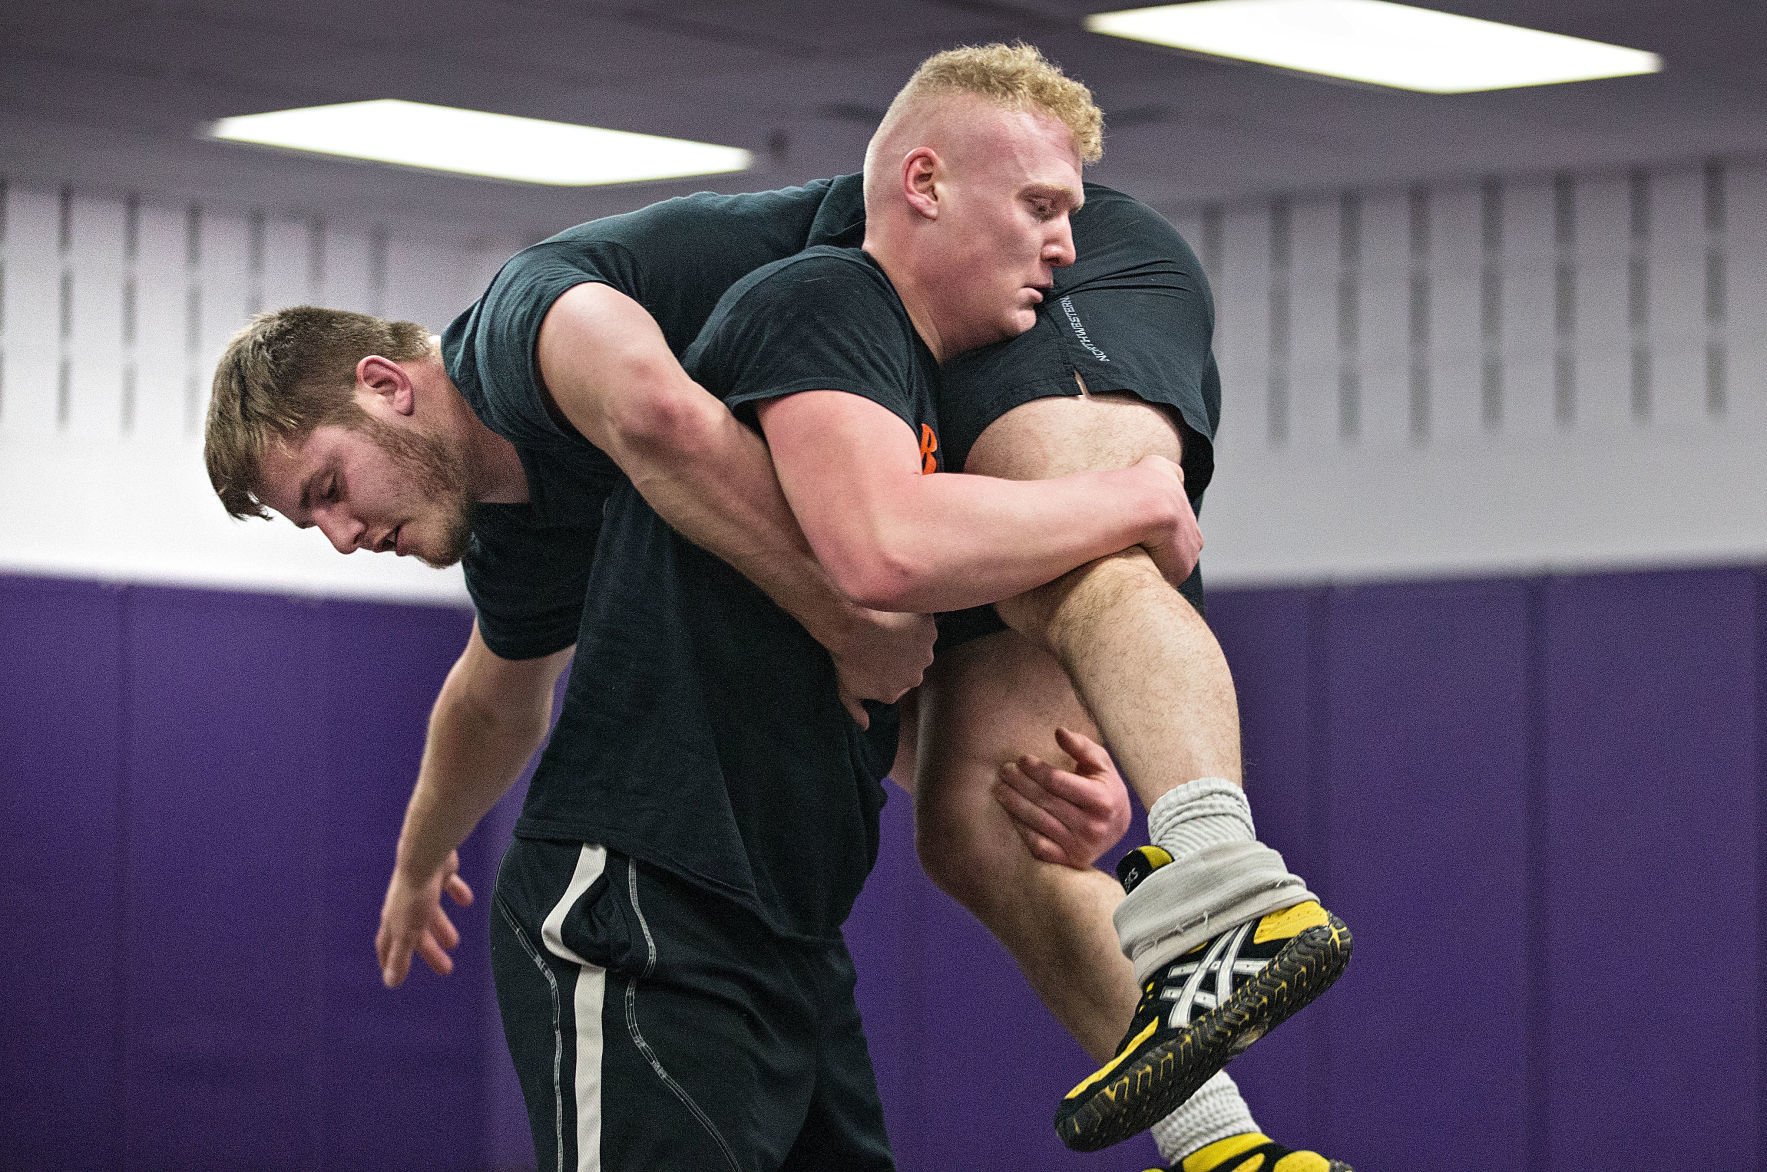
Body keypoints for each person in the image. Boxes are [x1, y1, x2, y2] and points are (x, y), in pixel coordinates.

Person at [204, 44, 1347, 1172]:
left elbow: (680, 430)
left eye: (330, 491)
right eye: (318, 526)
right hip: (778, 891)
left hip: (996, 272)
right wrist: (419, 858)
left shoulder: (520, 326)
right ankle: (1219, 1145)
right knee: (977, 825)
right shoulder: (526, 538)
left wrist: (855, 612)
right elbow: (492, 701)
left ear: (388, 386)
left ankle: (1217, 863)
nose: (347, 535)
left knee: (1086, 549)